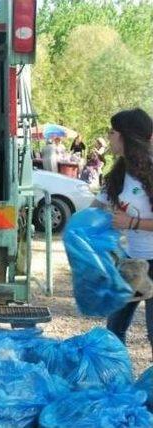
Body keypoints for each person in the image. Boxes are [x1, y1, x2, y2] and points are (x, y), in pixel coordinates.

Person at [92, 108, 153, 357]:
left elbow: (128, 221)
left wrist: (131, 222)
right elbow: (94, 211)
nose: (109, 136)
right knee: (115, 326)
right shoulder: (118, 175)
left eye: (113, 131)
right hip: (135, 262)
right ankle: (119, 383)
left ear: (127, 136)